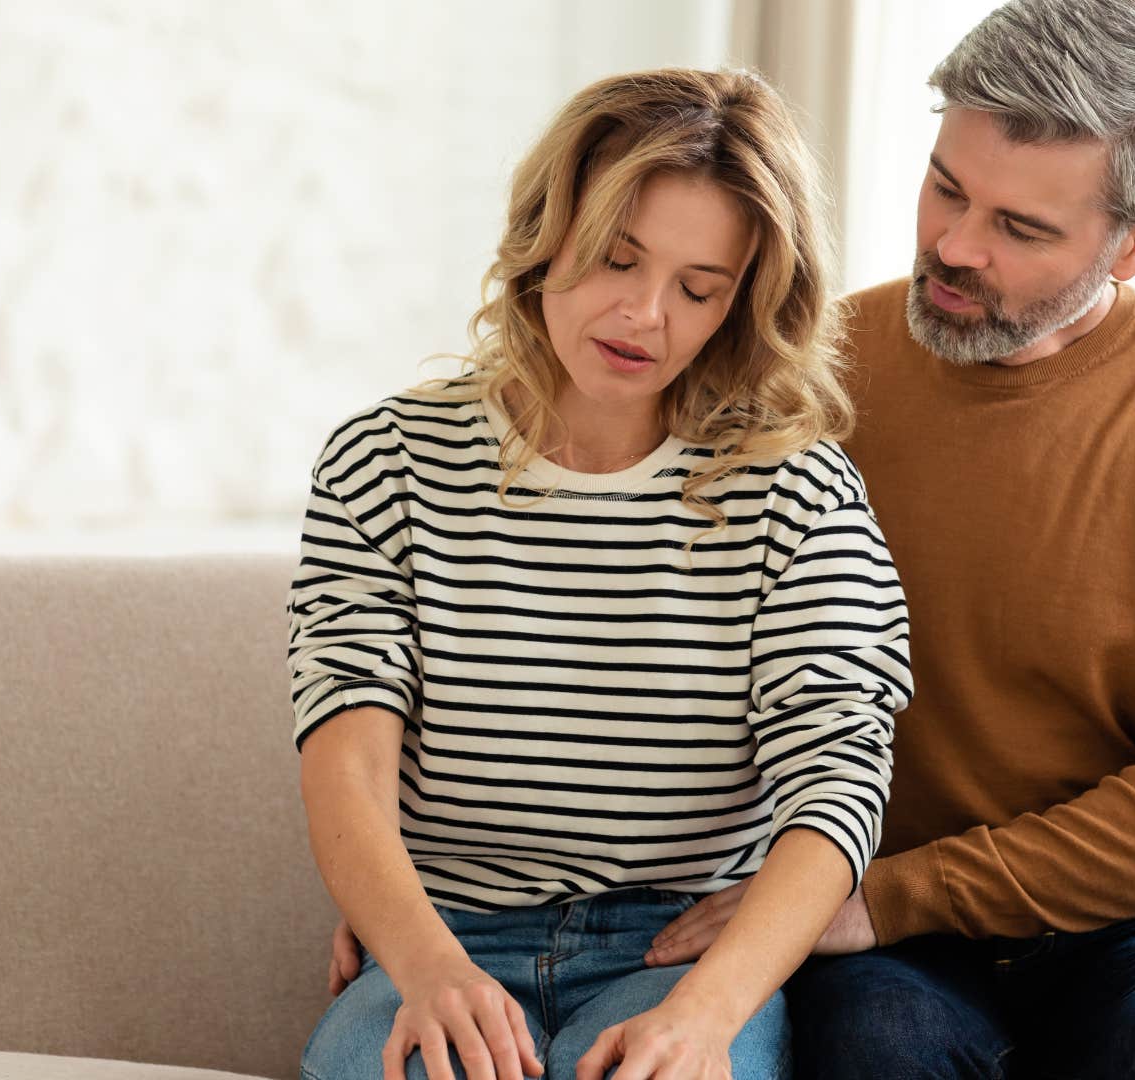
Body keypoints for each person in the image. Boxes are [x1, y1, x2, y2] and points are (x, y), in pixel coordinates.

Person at [641, 3, 1135, 1077]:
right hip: (876, 924)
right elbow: (633, 617)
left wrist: (896, 897)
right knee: (877, 1042)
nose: (954, 247)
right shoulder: (812, 372)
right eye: (946, 186)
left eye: (1023, 228)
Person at [288, 68, 911, 1080]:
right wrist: (424, 963)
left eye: (698, 288)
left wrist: (706, 1017)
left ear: (742, 304)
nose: (644, 313)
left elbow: (835, 784)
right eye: (616, 260)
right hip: (445, 937)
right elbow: (346, 756)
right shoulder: (384, 463)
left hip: (679, 952)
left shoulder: (798, 493)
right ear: (547, 232)